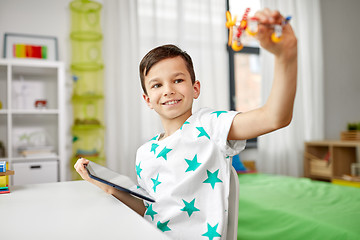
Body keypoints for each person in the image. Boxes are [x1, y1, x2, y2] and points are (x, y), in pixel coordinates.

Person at [75, 8, 297, 240]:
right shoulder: (144, 154)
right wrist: (108, 187)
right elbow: (151, 211)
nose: (169, 90)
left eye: (178, 80)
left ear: (195, 88)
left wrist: (286, 56)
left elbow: (275, 117)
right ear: (147, 99)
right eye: (156, 85)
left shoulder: (210, 125)